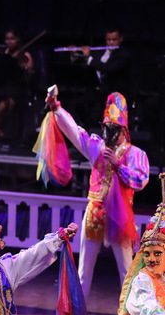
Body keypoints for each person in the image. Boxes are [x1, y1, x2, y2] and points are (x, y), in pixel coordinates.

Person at [46, 90, 149, 299]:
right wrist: (57, 109)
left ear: (124, 130)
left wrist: (119, 166)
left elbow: (140, 181)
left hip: (120, 216)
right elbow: (75, 133)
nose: (110, 133)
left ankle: (129, 309)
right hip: (95, 213)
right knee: (84, 270)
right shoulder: (97, 147)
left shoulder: (135, 154)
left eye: (114, 129)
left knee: (126, 271)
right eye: (107, 128)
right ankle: (78, 308)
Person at [0, 28, 34, 143]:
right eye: (7, 39)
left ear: (18, 39)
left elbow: (29, 77)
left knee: (5, 104)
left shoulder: (25, 55)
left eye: (12, 39)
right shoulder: (0, 52)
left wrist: (26, 69)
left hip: (14, 87)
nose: (9, 42)